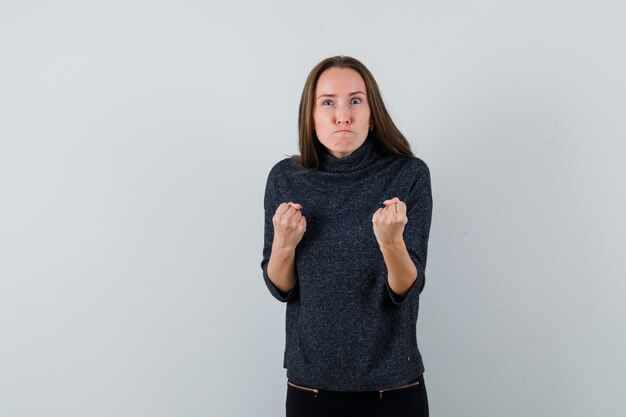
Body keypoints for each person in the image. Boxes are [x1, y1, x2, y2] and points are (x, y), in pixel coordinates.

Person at [261, 55, 433, 417]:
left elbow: (406, 288)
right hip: (312, 388)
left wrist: (390, 242)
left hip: (393, 387)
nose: (343, 115)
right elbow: (281, 287)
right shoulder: (286, 178)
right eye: (328, 103)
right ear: (310, 115)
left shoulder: (409, 175)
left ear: (373, 115)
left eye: (355, 101)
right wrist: (283, 243)